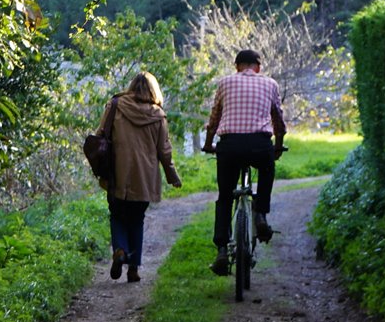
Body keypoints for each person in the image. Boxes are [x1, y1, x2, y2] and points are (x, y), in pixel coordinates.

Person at [201, 47, 286, 276]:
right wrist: (277, 147)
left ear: (236, 66)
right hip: (260, 144)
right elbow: (278, 119)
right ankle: (260, 213)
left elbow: (214, 117)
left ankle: (221, 249)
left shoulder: (225, 83)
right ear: (258, 67)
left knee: (225, 197)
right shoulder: (270, 84)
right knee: (267, 170)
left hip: (230, 146)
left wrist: (209, 143)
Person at [97, 71, 182, 283]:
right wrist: (172, 176)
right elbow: (164, 151)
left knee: (117, 215)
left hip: (118, 172)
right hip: (144, 177)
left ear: (131, 86)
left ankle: (120, 250)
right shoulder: (158, 115)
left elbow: (99, 135)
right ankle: (133, 268)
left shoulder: (115, 105)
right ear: (154, 90)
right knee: (137, 220)